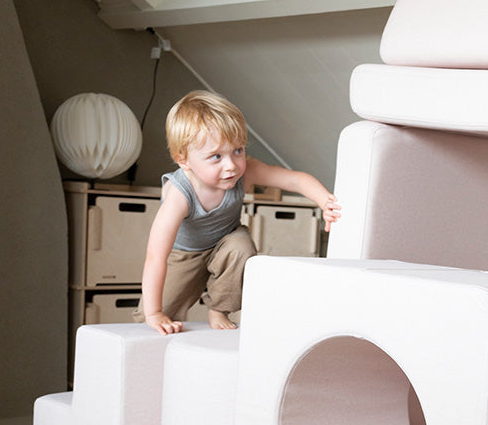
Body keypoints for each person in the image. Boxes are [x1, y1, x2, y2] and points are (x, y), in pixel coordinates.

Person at [137, 89, 340, 334]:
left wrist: (324, 200)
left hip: (226, 244)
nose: (231, 165)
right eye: (216, 157)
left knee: (240, 246)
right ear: (184, 160)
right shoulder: (179, 194)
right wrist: (154, 312)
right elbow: (156, 256)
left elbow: (294, 180)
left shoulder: (245, 173)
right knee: (151, 324)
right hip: (184, 255)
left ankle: (219, 309)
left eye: (238, 151)